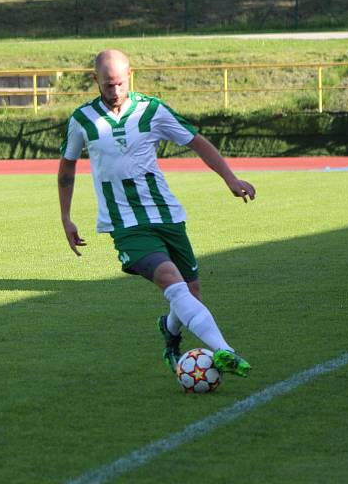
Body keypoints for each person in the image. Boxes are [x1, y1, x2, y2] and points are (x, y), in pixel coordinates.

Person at [57, 49, 255, 378]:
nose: (115, 91)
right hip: (126, 225)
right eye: (107, 85)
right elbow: (66, 168)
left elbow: (197, 142)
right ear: (95, 81)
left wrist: (230, 179)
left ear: (129, 76)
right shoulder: (82, 120)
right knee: (170, 281)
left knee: (191, 294)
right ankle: (225, 351)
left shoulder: (152, 110)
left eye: (119, 83)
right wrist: (66, 216)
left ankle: (170, 328)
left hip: (166, 216)